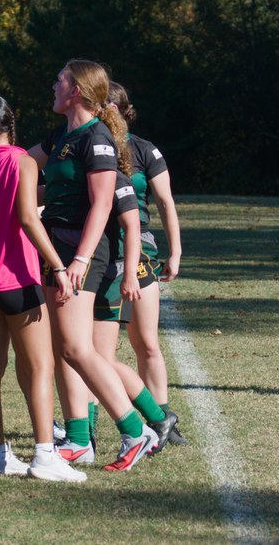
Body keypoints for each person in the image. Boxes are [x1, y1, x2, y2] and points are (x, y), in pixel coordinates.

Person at [26, 59, 158, 472]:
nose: (53, 84)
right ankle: (80, 441)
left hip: (81, 251)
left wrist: (81, 260)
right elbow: (23, 163)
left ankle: (136, 431)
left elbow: (103, 205)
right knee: (65, 349)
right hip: (58, 246)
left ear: (77, 90)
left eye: (60, 79)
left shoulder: (96, 137)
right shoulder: (62, 134)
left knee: (76, 348)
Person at [0, 95, 86, 482]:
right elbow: (29, 217)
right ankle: (44, 454)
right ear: (12, 124)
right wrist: (59, 266)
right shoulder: (22, 161)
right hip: (17, 278)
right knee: (39, 367)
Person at [107, 81, 187, 446]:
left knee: (146, 343)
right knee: (95, 351)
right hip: (100, 255)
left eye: (111, 106)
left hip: (139, 255)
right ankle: (85, 427)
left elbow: (166, 202)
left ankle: (165, 422)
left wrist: (176, 251)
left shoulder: (143, 149)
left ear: (125, 110)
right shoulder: (83, 144)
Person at [91, 170, 177, 454]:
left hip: (108, 271)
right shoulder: (78, 157)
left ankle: (155, 418)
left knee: (94, 358)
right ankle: (83, 433)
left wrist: (130, 272)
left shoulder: (113, 173)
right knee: (85, 356)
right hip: (94, 269)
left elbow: (133, 226)